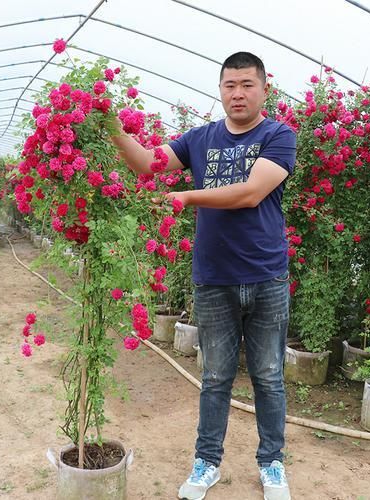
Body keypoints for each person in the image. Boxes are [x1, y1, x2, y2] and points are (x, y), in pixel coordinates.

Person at [112, 51, 296, 500]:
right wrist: (111, 127)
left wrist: (186, 197)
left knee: (269, 376)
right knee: (215, 377)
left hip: (267, 275)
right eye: (230, 85)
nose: (238, 93)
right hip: (213, 278)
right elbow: (146, 164)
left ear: (264, 90)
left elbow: (252, 193)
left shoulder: (279, 134)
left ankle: (272, 463)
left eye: (247, 85)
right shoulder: (200, 138)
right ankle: (207, 462)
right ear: (220, 89)